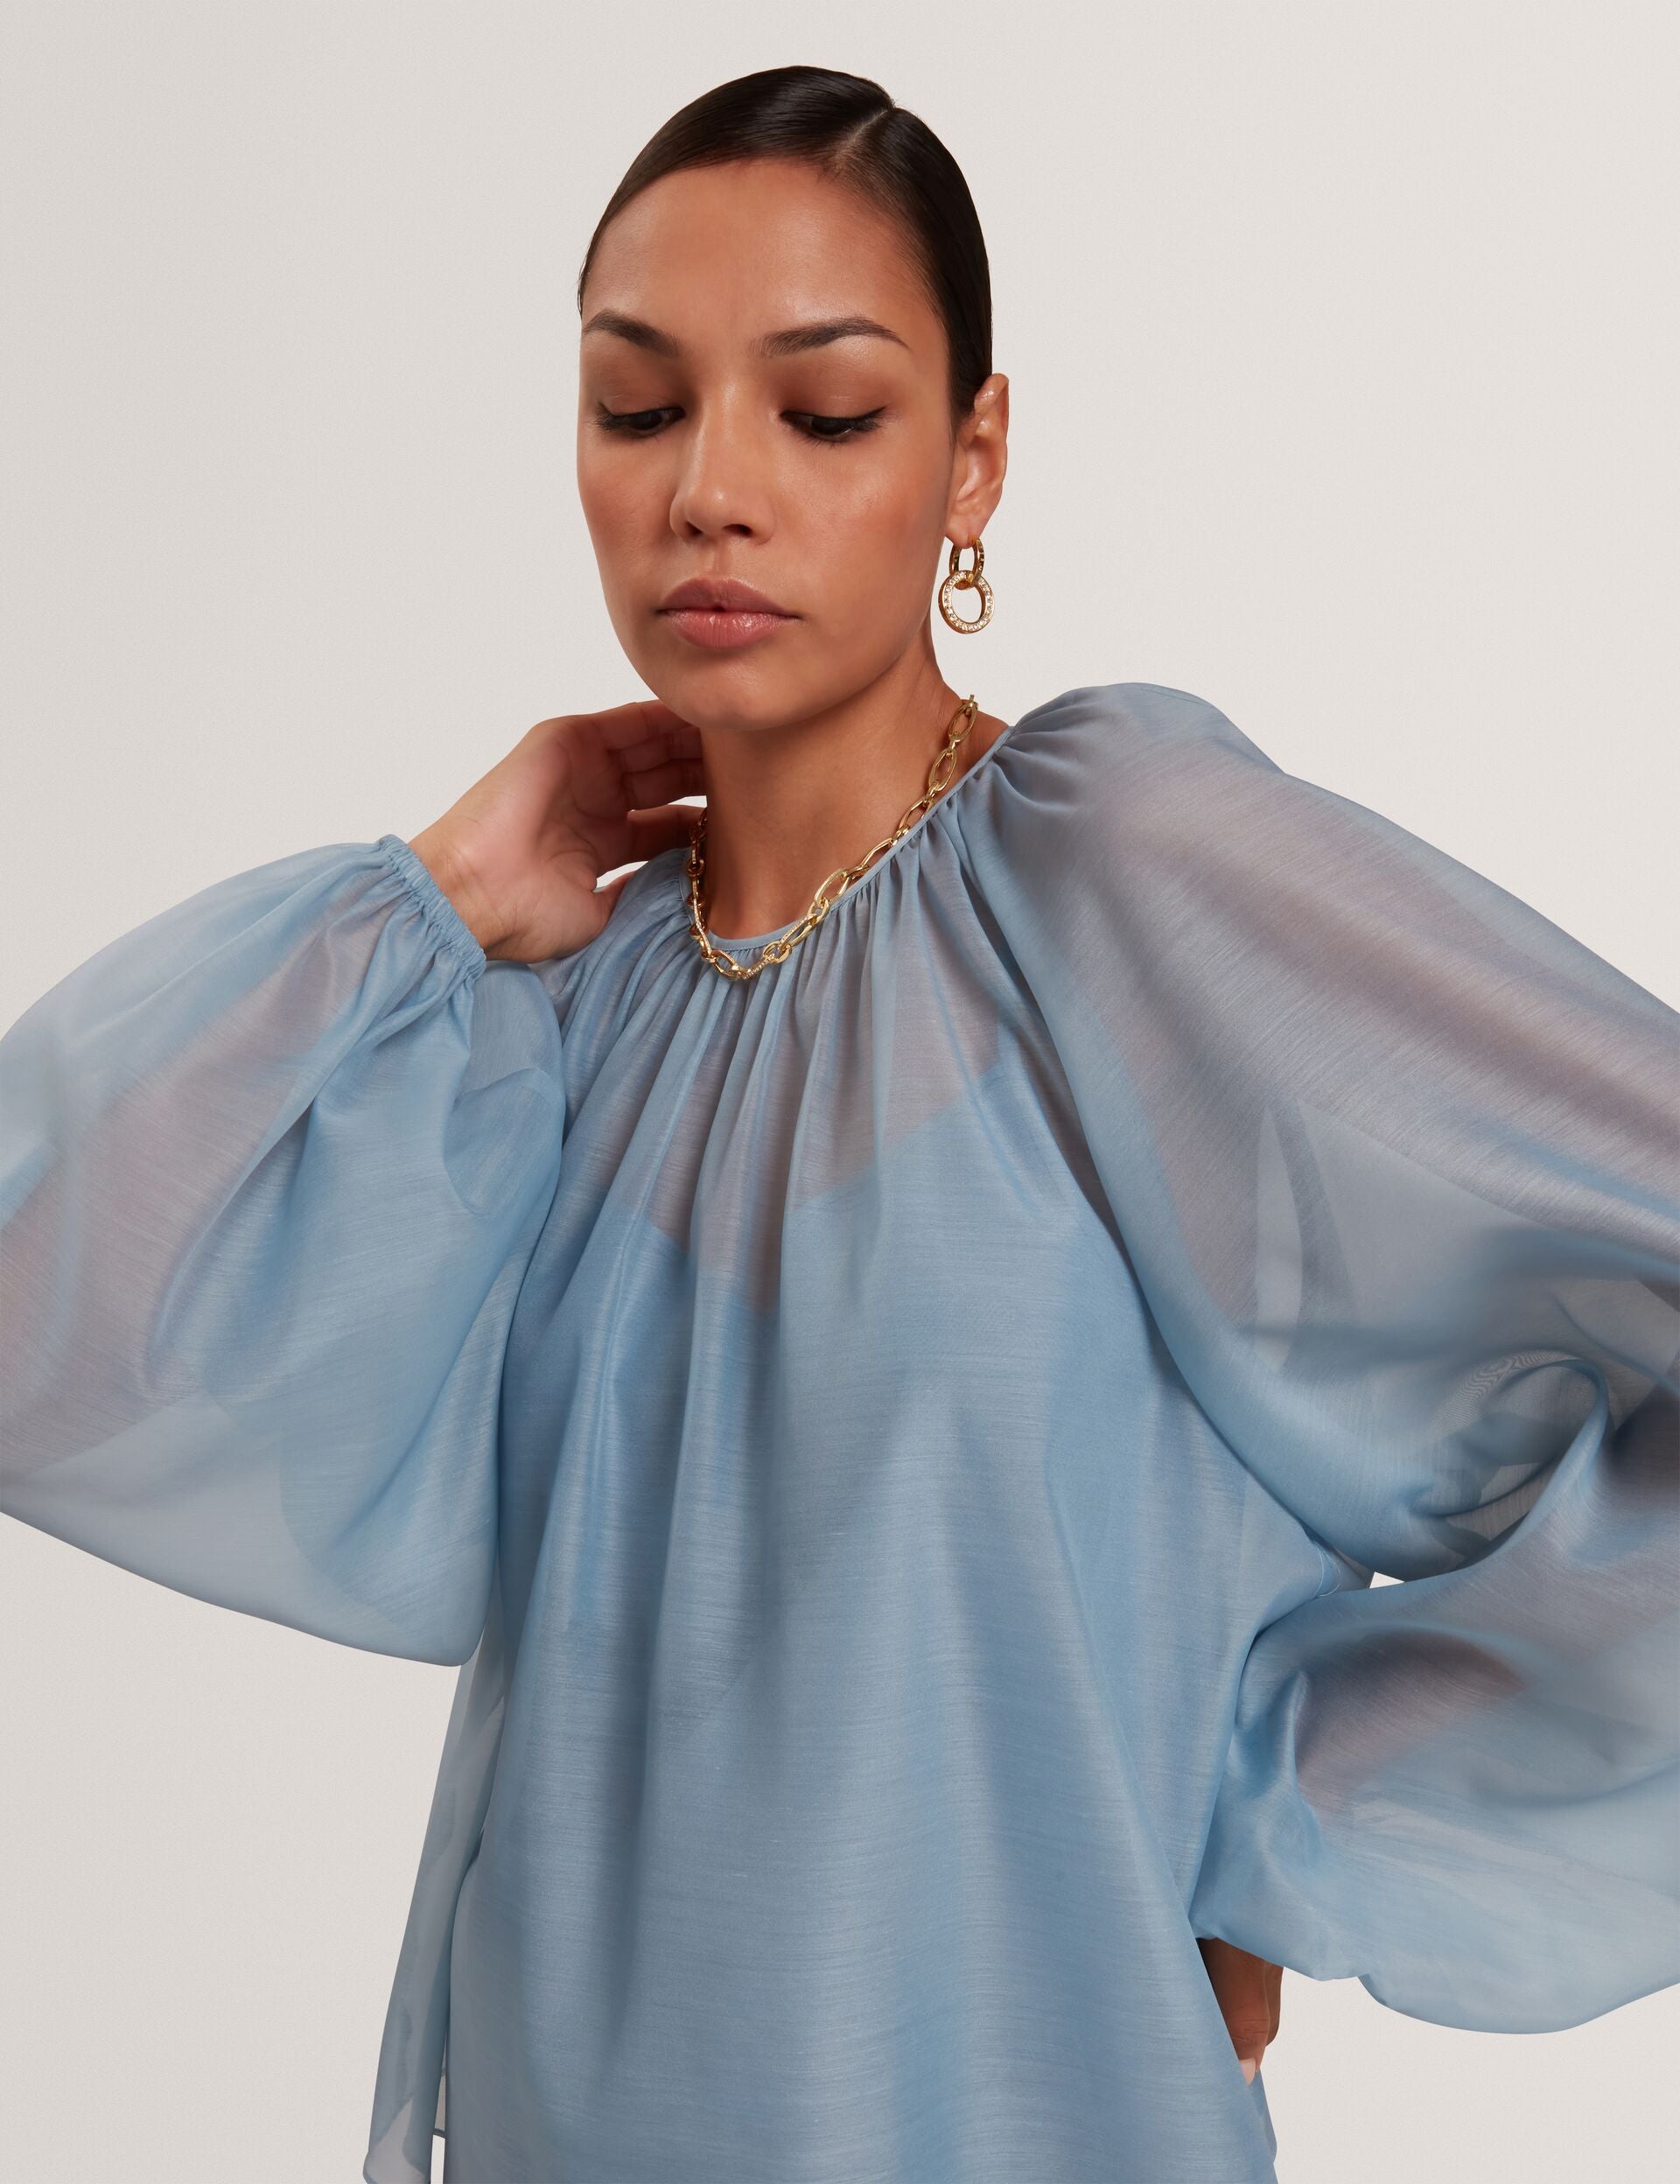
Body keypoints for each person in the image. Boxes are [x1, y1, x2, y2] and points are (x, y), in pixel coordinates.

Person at [2, 61, 1675, 2184]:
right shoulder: (557, 1009)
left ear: (974, 456)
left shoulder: (1118, 877)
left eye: (824, 411)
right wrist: (427, 898)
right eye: (637, 407)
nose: (712, 489)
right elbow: (43, 1323)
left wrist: (1301, 1817)